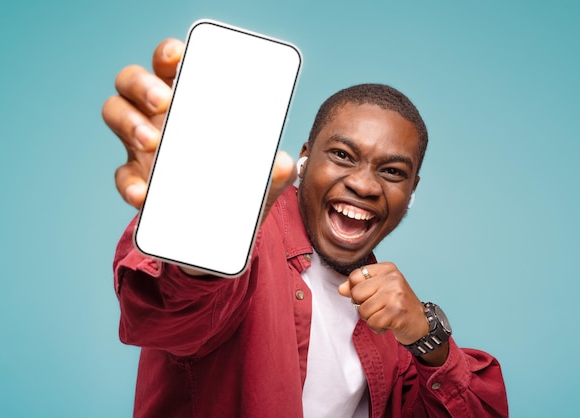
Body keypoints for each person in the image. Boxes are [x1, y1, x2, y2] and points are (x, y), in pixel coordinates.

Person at [102, 38, 508, 418]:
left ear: (411, 189)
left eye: (392, 171)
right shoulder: (248, 237)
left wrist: (427, 339)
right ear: (304, 158)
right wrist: (198, 231)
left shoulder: (387, 318)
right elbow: (167, 313)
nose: (365, 185)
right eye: (342, 155)